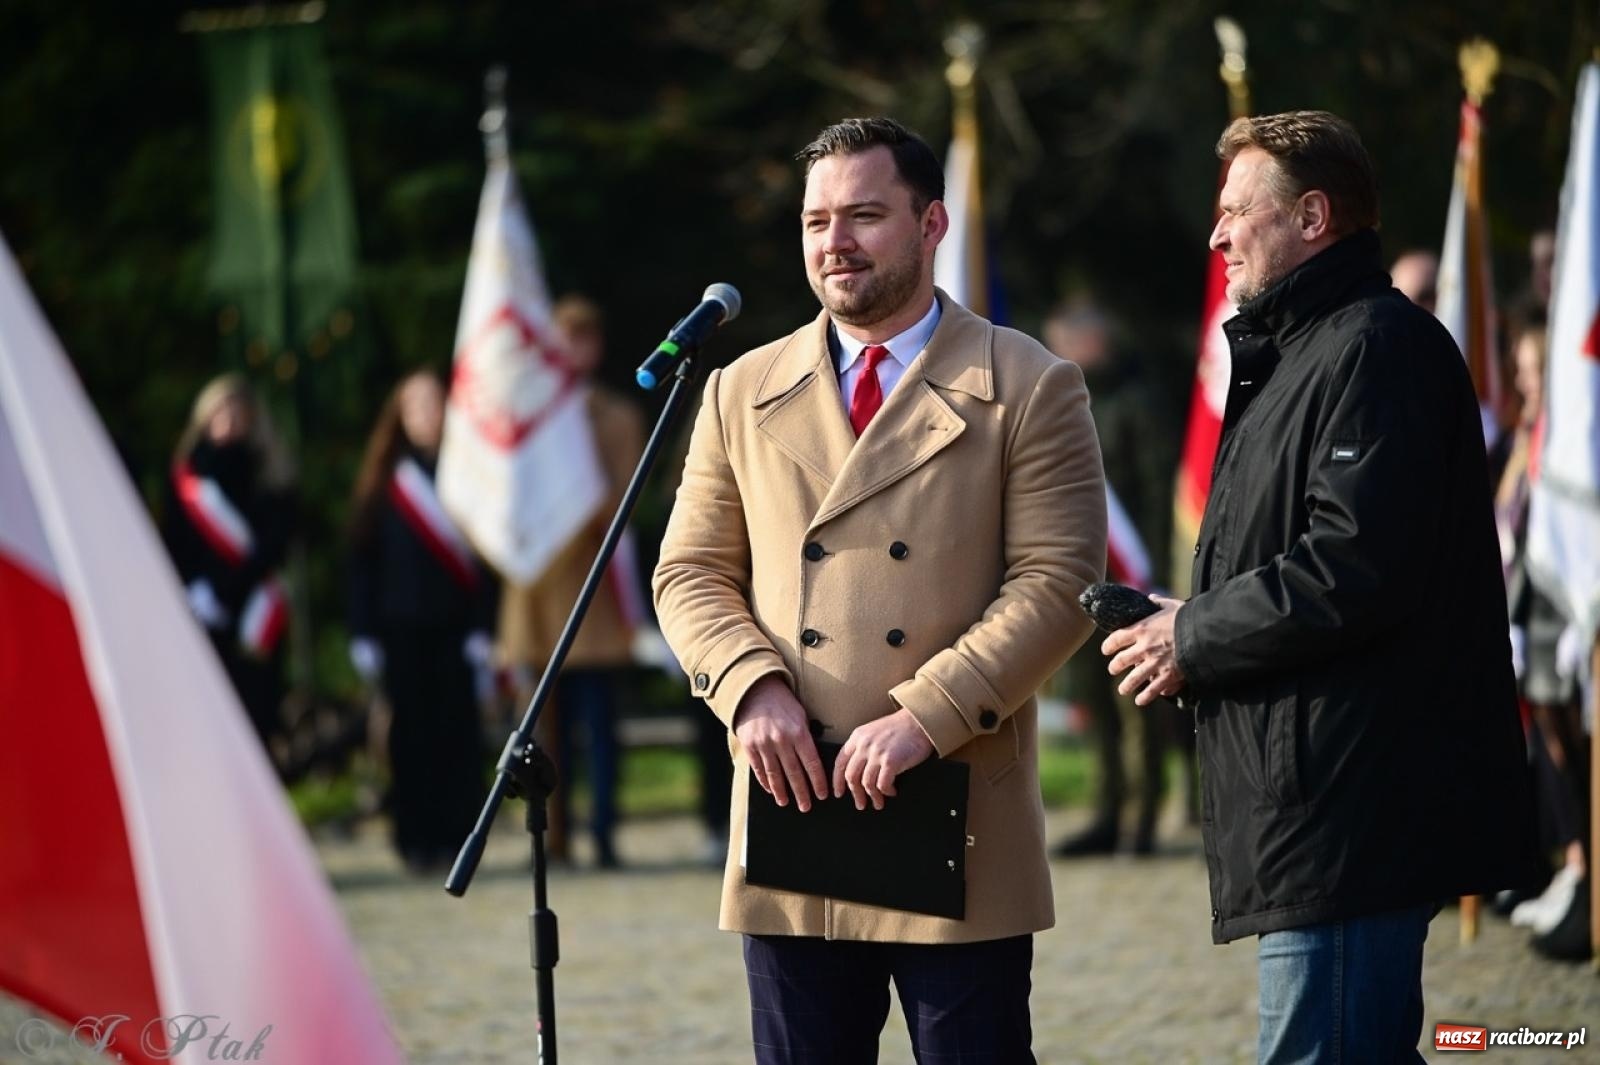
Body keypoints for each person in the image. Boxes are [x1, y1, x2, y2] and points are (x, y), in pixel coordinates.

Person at [652, 117, 1106, 1064]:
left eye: (864, 214)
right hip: (794, 804)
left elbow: (1059, 582)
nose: (835, 242)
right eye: (817, 219)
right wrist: (751, 689)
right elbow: (689, 572)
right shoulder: (739, 387)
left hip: (953, 806)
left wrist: (923, 714)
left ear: (932, 223)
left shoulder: (1029, 383)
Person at [1103, 111, 1540, 1062]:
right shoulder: (1302, 356)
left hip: (1353, 805)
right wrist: (1190, 622)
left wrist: (1195, 635)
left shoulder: (1376, 347)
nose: (1215, 236)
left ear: (1311, 215)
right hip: (1321, 798)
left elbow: (1354, 569)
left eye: (1234, 212)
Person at [498, 295, 647, 869]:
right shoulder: (522, 418)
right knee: (539, 731)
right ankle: (550, 838)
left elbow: (624, 497)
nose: (572, 352)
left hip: (593, 592)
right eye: (563, 340)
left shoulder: (616, 416)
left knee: (599, 726)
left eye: (583, 340)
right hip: (537, 594)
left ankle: (605, 832)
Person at [347, 369, 495, 874]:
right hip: (400, 631)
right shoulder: (386, 483)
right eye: (417, 408)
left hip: (456, 630)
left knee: (456, 736)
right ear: (400, 417)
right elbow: (361, 562)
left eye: (435, 406)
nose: (427, 417)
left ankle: (458, 837)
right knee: (410, 739)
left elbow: (485, 560)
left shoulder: (469, 474)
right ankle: (414, 838)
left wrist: (484, 626)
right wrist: (362, 632)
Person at [1043, 300, 1174, 857]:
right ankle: (1106, 812)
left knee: (1137, 699)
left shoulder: (1135, 401)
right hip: (1082, 575)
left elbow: (1156, 491)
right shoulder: (1058, 403)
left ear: (1092, 340)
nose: (1056, 349)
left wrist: (1156, 576)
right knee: (1098, 702)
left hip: (1134, 573)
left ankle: (1142, 818)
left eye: (1064, 339)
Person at [1496, 319, 1591, 959]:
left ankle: (1585, 867)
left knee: (1572, 742)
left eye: (1534, 367)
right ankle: (1577, 864)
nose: (1525, 378)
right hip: (1527, 607)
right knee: (1551, 740)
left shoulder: (1563, 436)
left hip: (1564, 608)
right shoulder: (1523, 435)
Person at [162, 373, 295, 762]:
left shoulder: (267, 475)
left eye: (239, 413)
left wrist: (225, 590)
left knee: (254, 716)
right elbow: (174, 541)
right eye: (221, 412)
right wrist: (194, 588)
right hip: (200, 607)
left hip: (251, 608)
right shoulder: (188, 479)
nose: (230, 420)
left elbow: (271, 545)